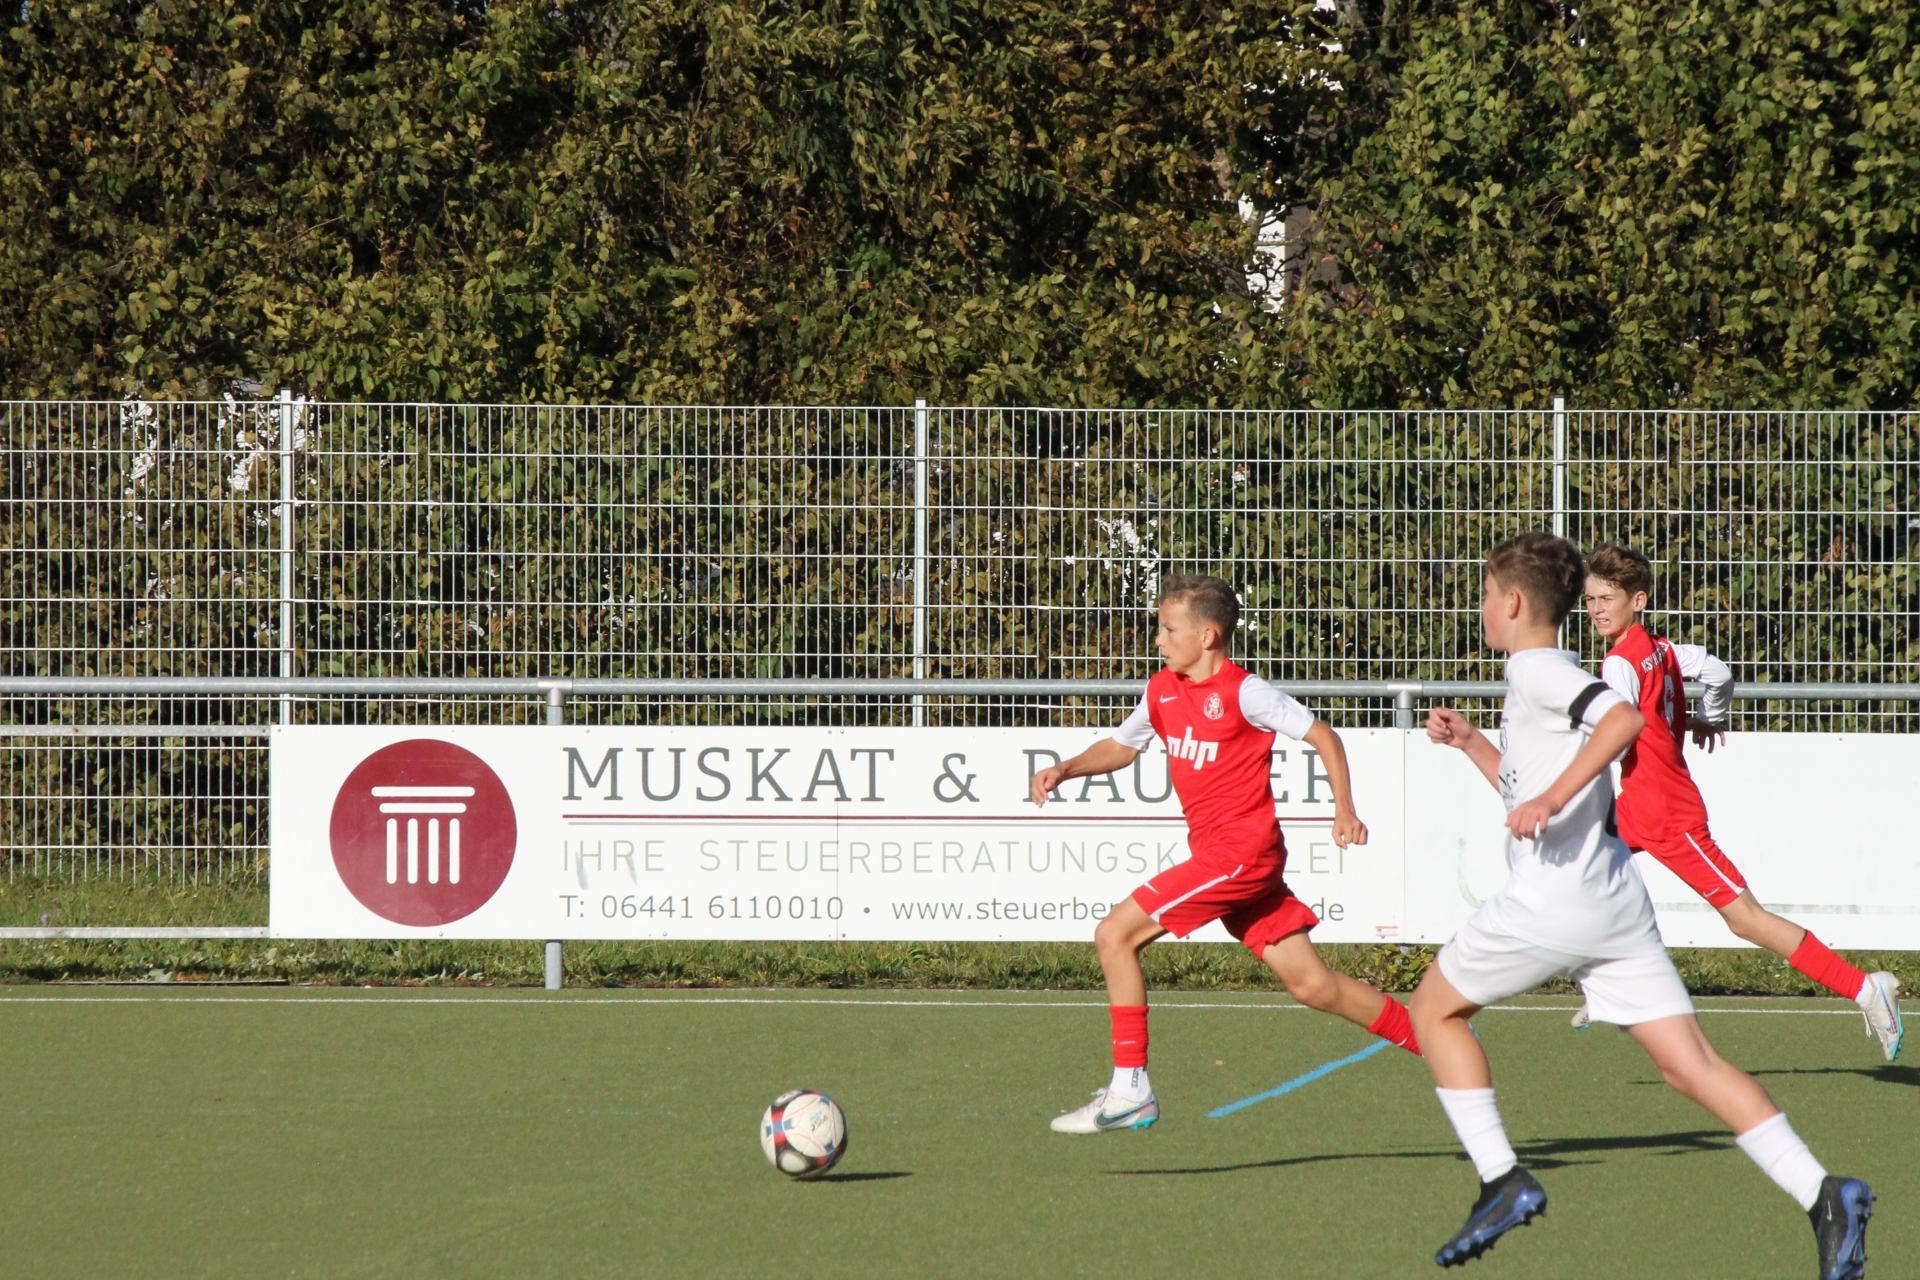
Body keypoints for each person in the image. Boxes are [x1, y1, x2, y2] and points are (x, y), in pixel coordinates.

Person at [1414, 532, 1872, 1278]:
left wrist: (1551, 799)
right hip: (1614, 904)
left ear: (1514, 601)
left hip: (1552, 900)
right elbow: (1531, 787)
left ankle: (1501, 1179)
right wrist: (1471, 743)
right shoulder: (1550, 673)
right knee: (1692, 1066)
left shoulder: (1533, 668)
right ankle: (1825, 1195)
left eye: (1486, 594)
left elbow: (1620, 724)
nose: (1483, 608)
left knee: (1434, 1011)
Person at [1031, 574, 1420, 1136]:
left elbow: (1324, 737)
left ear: (1207, 636)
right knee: (1312, 985)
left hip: (1241, 855)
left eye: (1169, 630)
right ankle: (1432, 1035)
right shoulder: (1162, 689)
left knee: (1114, 935)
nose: (1159, 640)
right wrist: (1065, 769)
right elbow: (1121, 746)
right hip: (1229, 858)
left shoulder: (1246, 692)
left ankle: (1130, 1089)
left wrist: (1344, 809)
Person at [1576, 542, 1902, 1059]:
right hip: (1639, 806)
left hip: (1668, 813)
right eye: (1590, 599)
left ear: (1637, 601)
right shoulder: (1661, 648)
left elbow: (1618, 734)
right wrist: (1710, 717)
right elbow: (1718, 673)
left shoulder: (1619, 662)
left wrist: (1580, 753)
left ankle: (1865, 989)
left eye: (1606, 598)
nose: (1596, 609)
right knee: (1581, 873)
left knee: (1745, 918)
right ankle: (1612, 985)